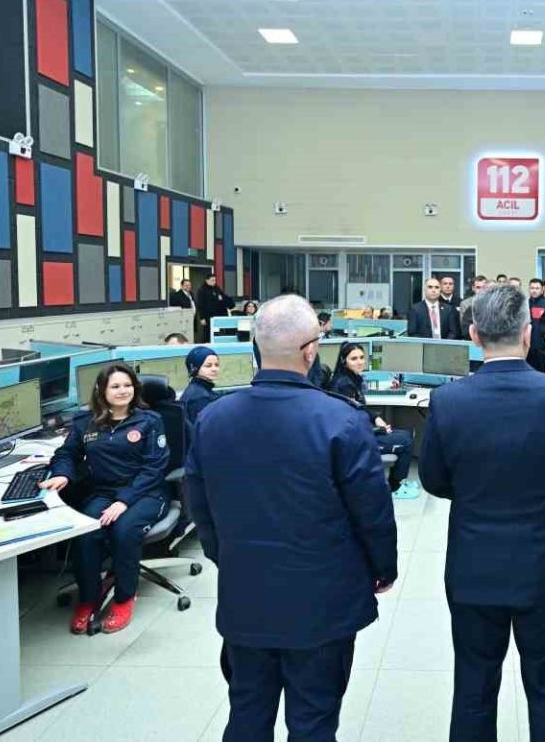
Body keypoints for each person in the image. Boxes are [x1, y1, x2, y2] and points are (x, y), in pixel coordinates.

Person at [183, 295, 397, 741]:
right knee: (313, 721)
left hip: (246, 598)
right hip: (322, 606)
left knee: (247, 714)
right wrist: (383, 569)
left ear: (255, 348)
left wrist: (231, 558)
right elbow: (372, 511)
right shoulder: (342, 420)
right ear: (310, 350)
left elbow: (200, 506)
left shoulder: (213, 419)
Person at [418, 285, 545, 742]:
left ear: (474, 334)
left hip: (475, 567)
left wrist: (477, 493)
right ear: (527, 333)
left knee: (474, 689)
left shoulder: (448, 400)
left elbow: (434, 480)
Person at [41, 363, 169, 634]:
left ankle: (124, 598)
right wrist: (63, 473)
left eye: (128, 385)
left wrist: (123, 501)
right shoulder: (85, 422)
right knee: (86, 531)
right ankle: (89, 598)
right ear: (101, 390)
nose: (123, 391)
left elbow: (154, 469)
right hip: (103, 492)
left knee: (124, 530)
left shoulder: (150, 421)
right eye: (115, 386)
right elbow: (66, 453)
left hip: (145, 492)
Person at [329, 342, 419, 499]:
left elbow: (360, 409)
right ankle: (396, 487)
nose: (360, 362)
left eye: (362, 357)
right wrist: (377, 430)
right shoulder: (344, 385)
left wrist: (376, 418)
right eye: (354, 359)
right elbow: (352, 420)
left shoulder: (349, 379)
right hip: (356, 440)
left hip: (359, 433)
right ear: (344, 361)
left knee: (404, 434)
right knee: (406, 441)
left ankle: (396, 482)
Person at [179, 346, 221, 428]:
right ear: (195, 369)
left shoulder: (196, 389)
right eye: (208, 366)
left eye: (216, 365)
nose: (214, 369)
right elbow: (206, 428)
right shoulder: (200, 397)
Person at [196, 274, 236, 342]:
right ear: (207, 280)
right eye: (212, 280)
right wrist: (202, 317)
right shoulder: (202, 290)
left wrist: (226, 301)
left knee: (220, 331)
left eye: (215, 280)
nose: (214, 282)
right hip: (208, 316)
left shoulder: (217, 288)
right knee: (209, 332)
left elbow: (224, 297)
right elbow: (200, 305)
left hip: (220, 314)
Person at [526, 278, 545, 372]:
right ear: (529, 289)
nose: (534, 290)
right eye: (532, 288)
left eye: (537, 288)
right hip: (528, 346)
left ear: (542, 289)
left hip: (542, 347)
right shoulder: (525, 304)